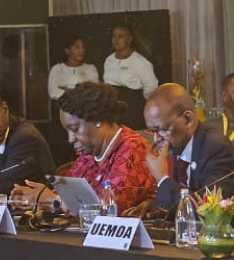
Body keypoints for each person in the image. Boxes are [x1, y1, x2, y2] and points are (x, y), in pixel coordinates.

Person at [15, 83, 156, 213]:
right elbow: (69, 197)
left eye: (75, 129)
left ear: (98, 119)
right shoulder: (87, 155)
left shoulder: (134, 149)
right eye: (67, 131)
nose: (70, 139)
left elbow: (111, 210)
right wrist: (36, 197)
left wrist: (54, 201)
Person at [123, 83, 234, 218]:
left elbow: (207, 214)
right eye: (152, 131)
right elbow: (186, 196)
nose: (156, 139)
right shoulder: (180, 146)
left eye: (162, 129)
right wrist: (157, 207)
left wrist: (162, 179)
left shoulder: (216, 149)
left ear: (188, 119)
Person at [102, 24, 158, 129]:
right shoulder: (108, 60)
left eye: (120, 36)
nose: (116, 39)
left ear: (130, 39)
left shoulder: (141, 62)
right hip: (112, 110)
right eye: (114, 36)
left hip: (132, 111)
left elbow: (151, 86)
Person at [47, 35, 99, 100]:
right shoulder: (57, 69)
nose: (82, 50)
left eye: (83, 47)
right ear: (67, 50)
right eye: (77, 47)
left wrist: (66, 89)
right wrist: (80, 91)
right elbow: (53, 93)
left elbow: (94, 92)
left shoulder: (90, 68)